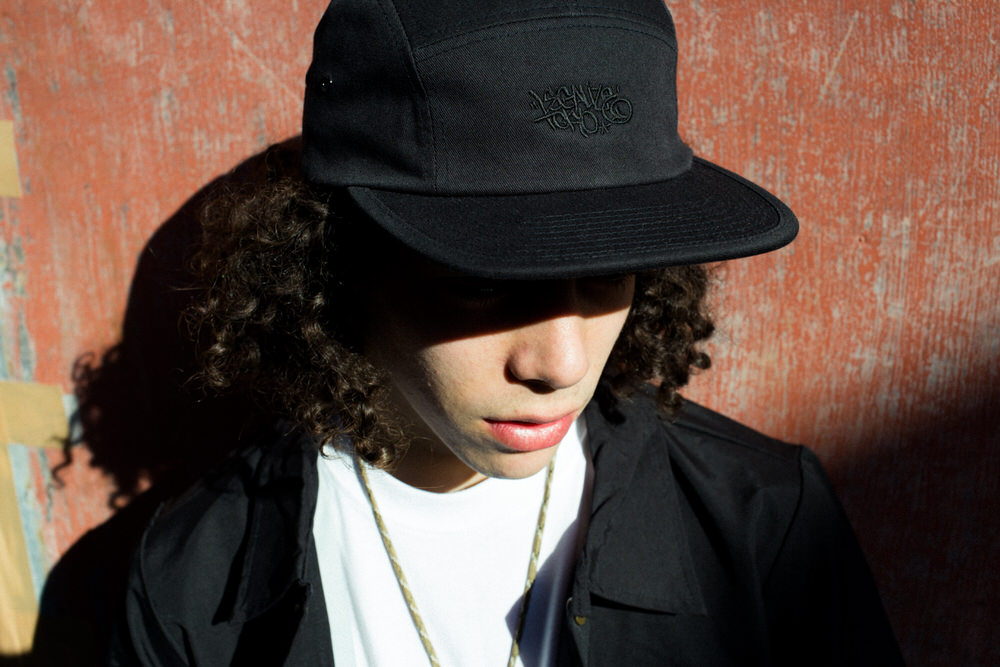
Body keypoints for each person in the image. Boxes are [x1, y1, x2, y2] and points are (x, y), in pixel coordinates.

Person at [113, 0, 904, 665]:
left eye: (610, 273)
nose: (561, 363)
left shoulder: (765, 522)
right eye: (482, 284)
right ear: (336, 263)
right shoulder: (195, 584)